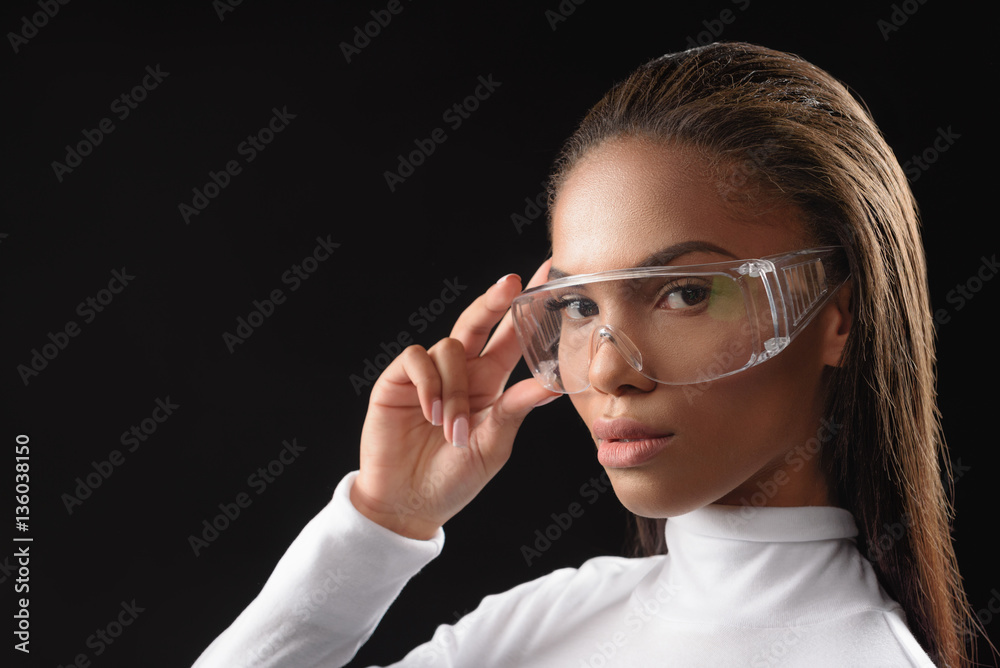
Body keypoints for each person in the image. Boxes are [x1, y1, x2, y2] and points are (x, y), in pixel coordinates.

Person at [192, 42, 980, 667]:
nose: (606, 370)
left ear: (838, 318)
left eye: (686, 293)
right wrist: (381, 522)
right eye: (578, 307)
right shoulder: (542, 623)